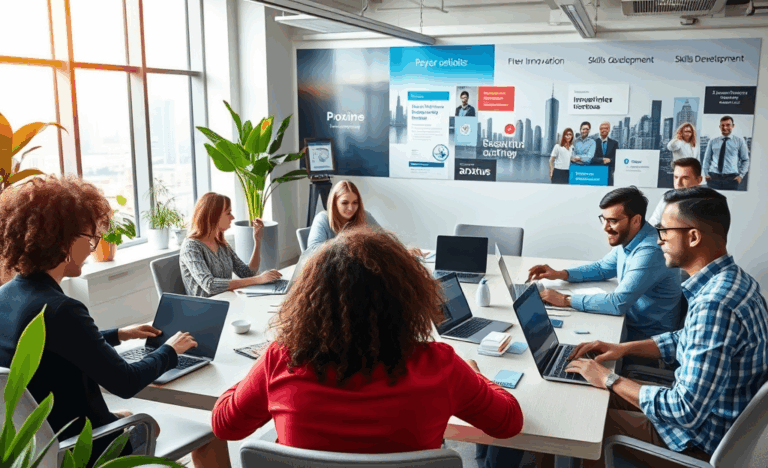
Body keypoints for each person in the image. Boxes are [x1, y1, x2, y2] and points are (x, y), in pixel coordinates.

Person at [211, 228, 525, 454]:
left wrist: (256, 375)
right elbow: (508, 422)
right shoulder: (440, 366)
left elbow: (226, 425)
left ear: (311, 301)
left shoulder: (281, 359)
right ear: (407, 298)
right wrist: (477, 375)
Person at [0, 176, 230, 468]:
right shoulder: (63, 310)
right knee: (210, 431)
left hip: (31, 447)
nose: (94, 248)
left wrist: (118, 334)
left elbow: (54, 346)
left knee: (123, 416)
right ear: (64, 241)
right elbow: (125, 381)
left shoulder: (7, 296)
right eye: (91, 239)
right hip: (83, 449)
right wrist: (170, 350)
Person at [565, 187, 768, 468]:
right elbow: (687, 338)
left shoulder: (715, 304)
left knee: (583, 420)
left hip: (695, 440)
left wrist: (610, 379)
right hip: (709, 417)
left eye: (664, 231)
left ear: (693, 237)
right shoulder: (732, 281)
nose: (658, 240)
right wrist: (621, 348)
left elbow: (684, 410)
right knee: (590, 394)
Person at [527, 187, 680, 342]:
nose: (605, 228)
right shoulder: (631, 237)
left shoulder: (651, 250)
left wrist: (565, 300)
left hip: (644, 338)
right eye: (604, 219)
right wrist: (560, 274)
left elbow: (617, 303)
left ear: (635, 220)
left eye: (612, 221)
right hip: (627, 322)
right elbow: (603, 268)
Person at [180, 192, 281, 297]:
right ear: (213, 215)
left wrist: (257, 240)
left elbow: (247, 273)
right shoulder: (191, 247)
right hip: (205, 307)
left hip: (227, 300)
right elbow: (210, 285)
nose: (232, 217)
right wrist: (259, 279)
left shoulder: (222, 244)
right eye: (228, 213)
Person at [648, 158, 703, 226]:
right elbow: (652, 226)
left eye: (685, 178)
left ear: (699, 180)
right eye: (676, 177)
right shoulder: (666, 199)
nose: (678, 183)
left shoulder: (709, 204)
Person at [702, 116, 750, 191]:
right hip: (713, 177)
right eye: (722, 125)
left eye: (728, 125)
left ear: (733, 126)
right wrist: (706, 174)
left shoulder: (739, 141)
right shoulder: (712, 141)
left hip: (731, 178)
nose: (725, 128)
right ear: (719, 126)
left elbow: (745, 160)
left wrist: (740, 176)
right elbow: (707, 159)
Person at [593, 121, 618, 186]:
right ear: (599, 130)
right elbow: (590, 158)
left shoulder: (614, 143)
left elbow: (617, 158)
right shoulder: (593, 143)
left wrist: (610, 160)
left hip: (609, 173)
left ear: (609, 130)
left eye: (606, 128)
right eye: (602, 128)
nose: (603, 130)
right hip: (596, 173)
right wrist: (602, 160)